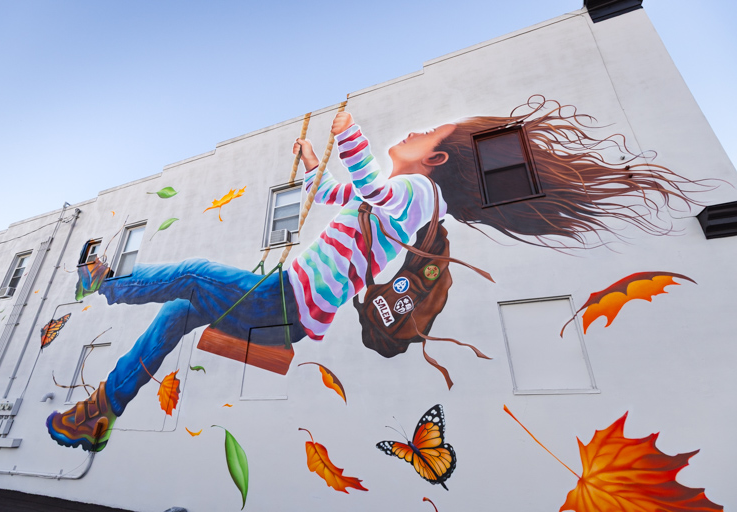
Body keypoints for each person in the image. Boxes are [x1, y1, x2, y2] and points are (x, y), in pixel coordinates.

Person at [47, 96, 706, 452]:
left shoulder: (418, 195)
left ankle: (101, 283)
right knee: (179, 312)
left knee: (191, 274)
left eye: (422, 132)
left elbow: (369, 186)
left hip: (289, 302)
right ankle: (100, 412)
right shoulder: (392, 197)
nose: (413, 132)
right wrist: (311, 168)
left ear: (436, 155)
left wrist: (353, 136)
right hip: (290, 305)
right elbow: (342, 197)